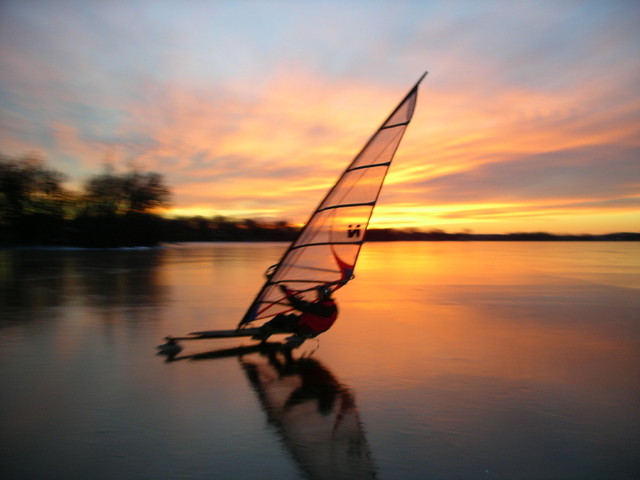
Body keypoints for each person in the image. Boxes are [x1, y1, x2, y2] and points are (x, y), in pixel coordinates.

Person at [254, 284, 338, 340]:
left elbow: (297, 305)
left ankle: (263, 332)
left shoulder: (318, 307)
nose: (317, 295)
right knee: (291, 317)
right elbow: (309, 308)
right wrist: (303, 303)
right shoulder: (333, 306)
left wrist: (286, 292)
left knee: (280, 318)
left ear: (323, 295)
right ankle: (267, 333)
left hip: (306, 328)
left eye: (318, 293)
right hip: (318, 329)